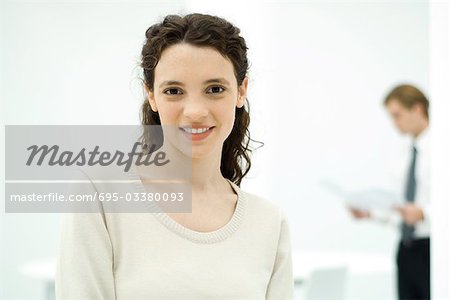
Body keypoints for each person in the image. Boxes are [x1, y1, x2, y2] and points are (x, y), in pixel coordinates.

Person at [55, 13, 294, 299]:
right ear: (152, 96)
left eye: (215, 89)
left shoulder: (268, 223)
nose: (195, 111)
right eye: (174, 91)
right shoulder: (101, 196)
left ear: (241, 91)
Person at [349, 84, 430, 300]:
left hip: (433, 248)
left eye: (397, 115)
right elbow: (397, 205)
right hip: (406, 249)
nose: (394, 123)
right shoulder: (402, 153)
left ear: (418, 109)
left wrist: (425, 213)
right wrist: (370, 214)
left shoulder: (441, 149)